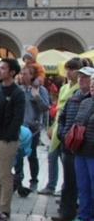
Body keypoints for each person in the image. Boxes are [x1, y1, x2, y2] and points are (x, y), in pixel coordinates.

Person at [0, 58, 25, 221]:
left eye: (3, 68)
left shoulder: (18, 93)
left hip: (7, 140)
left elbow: (17, 118)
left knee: (4, 175)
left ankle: (5, 208)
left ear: (12, 72)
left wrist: (8, 136)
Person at [53, 65, 93, 221]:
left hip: (89, 149)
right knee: (73, 182)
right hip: (74, 147)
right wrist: (63, 134)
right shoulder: (77, 98)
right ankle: (75, 213)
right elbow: (64, 117)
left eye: (87, 78)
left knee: (89, 185)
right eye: (81, 77)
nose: (82, 80)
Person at [39, 58, 81, 195]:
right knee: (52, 156)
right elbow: (58, 109)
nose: (68, 72)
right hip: (58, 125)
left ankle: (65, 188)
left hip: (69, 127)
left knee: (66, 160)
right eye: (67, 69)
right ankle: (51, 185)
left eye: (72, 69)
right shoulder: (64, 88)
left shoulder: (79, 89)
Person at [15, 65, 49, 193]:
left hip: (33, 128)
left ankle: (34, 180)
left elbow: (46, 108)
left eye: (25, 74)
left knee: (32, 154)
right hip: (20, 127)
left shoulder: (40, 90)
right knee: (17, 155)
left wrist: (37, 97)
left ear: (31, 76)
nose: (22, 76)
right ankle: (18, 179)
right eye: (21, 74)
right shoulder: (18, 89)